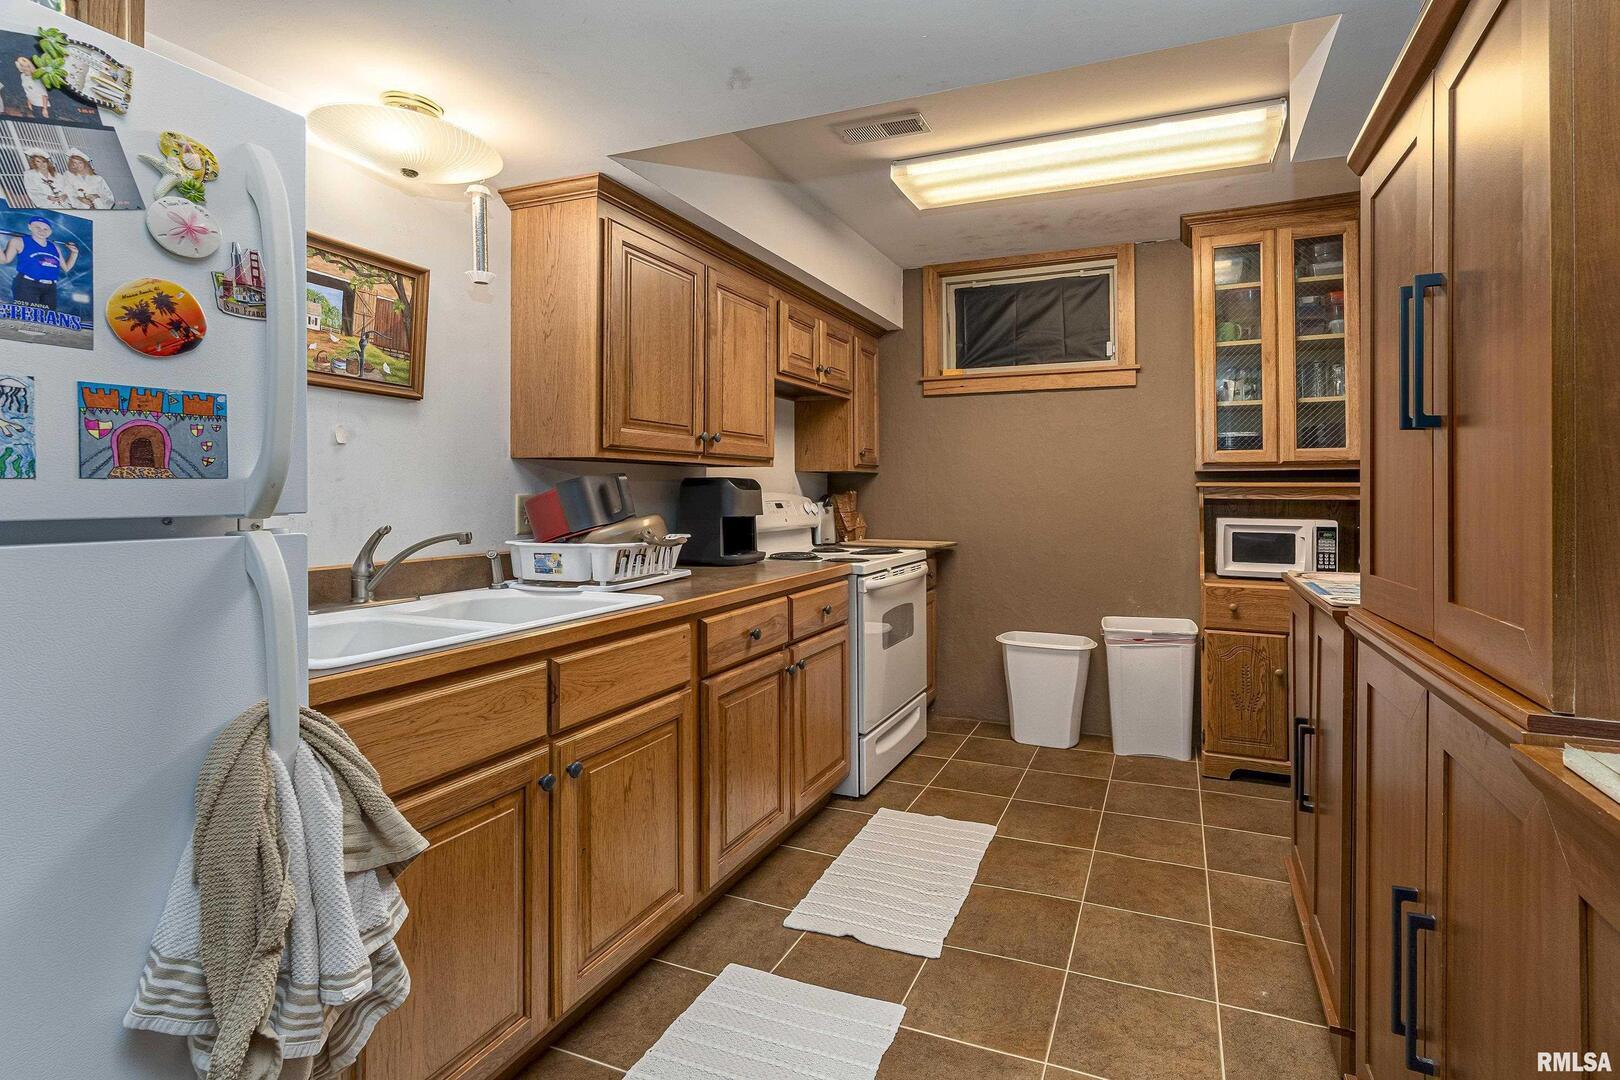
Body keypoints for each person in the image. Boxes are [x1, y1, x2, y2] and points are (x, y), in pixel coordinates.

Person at [0, 215, 78, 310]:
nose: (42, 231)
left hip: (50, 287)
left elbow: (66, 268)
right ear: (30, 226)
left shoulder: (54, 247)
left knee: (47, 320)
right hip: (27, 284)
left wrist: (74, 253)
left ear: (50, 232)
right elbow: (4, 260)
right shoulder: (18, 241)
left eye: (46, 229)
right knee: (28, 317)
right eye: (37, 227)